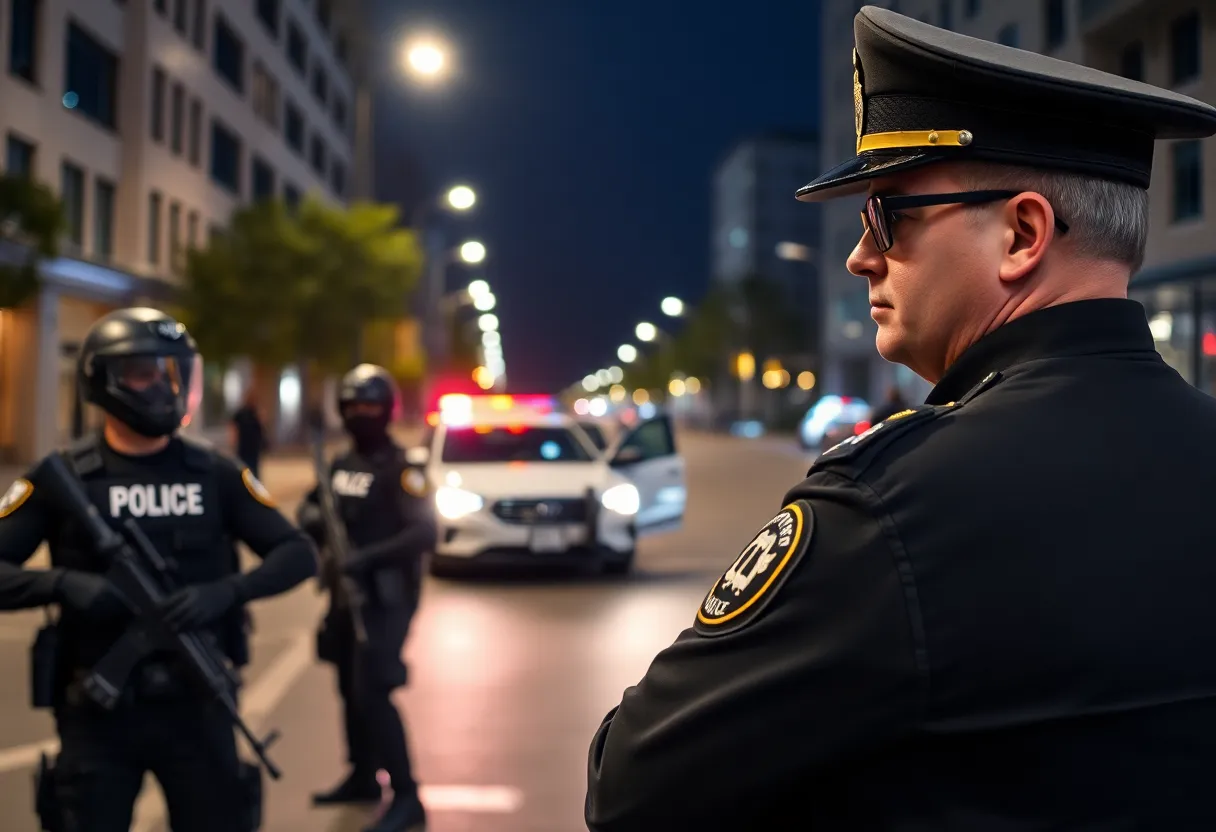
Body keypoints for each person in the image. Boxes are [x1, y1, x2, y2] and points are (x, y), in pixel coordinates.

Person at [585, 7, 1216, 830]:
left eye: (889, 213)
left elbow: (630, 787)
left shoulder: (889, 508)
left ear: (1022, 233)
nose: (859, 255)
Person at [0, 307, 318, 831]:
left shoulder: (213, 473)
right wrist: (63, 585)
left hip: (200, 705)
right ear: (103, 381)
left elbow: (298, 553)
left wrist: (226, 592)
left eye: (171, 372)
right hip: (97, 713)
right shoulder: (64, 479)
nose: (161, 387)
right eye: (143, 373)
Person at [299, 364, 434, 832]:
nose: (362, 414)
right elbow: (308, 506)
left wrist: (368, 558)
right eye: (353, 406)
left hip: (386, 597)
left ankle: (407, 794)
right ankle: (362, 776)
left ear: (388, 411)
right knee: (345, 687)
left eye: (371, 406)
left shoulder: (402, 469)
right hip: (342, 593)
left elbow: (424, 531)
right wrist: (315, 518)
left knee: (373, 691)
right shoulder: (339, 465)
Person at [229, 388, 268, 479]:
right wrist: (233, 441)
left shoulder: (256, 413)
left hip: (254, 447)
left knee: (253, 469)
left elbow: (262, 427)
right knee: (244, 469)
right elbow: (233, 427)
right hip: (244, 446)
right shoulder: (241, 413)